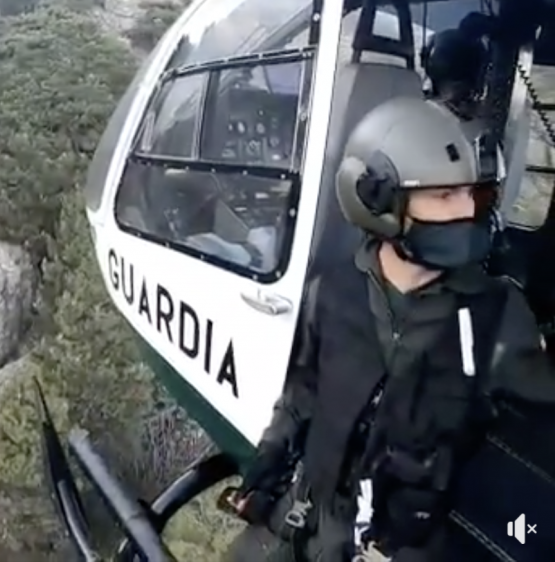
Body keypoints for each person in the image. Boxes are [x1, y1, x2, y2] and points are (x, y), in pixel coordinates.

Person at [223, 97, 555, 562]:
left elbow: (537, 451)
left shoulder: (496, 317)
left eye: (476, 194)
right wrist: (266, 469)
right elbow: (301, 397)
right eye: (445, 195)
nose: (468, 209)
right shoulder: (333, 292)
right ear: (379, 201)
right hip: (304, 525)